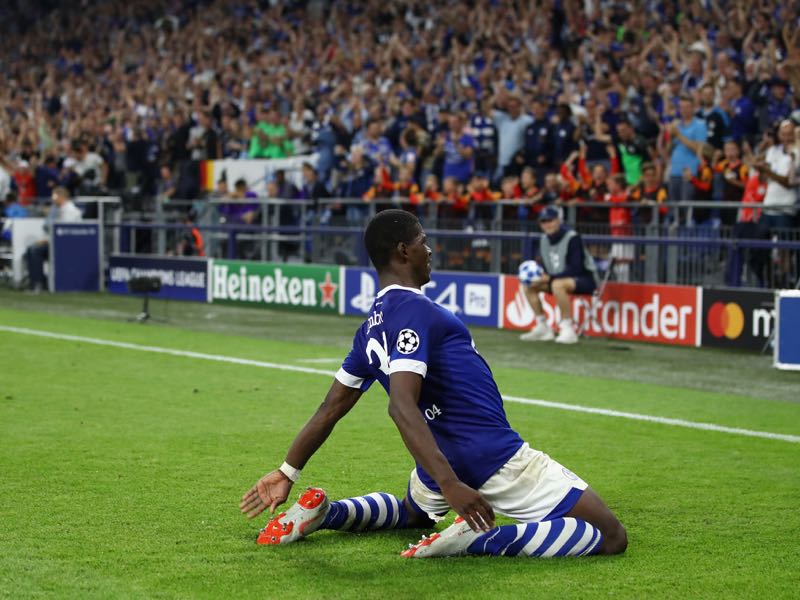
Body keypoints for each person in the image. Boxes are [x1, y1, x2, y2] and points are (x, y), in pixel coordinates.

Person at [240, 209, 627, 559]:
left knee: (414, 512)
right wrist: (452, 484)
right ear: (404, 251)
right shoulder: (417, 312)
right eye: (424, 242)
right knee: (610, 535)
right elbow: (401, 405)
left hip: (437, 458)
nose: (430, 250)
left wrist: (287, 472)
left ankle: (328, 513)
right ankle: (476, 540)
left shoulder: (369, 329)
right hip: (490, 455)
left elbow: (330, 409)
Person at [519, 206, 599, 345]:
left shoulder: (572, 237)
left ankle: (567, 328)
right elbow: (546, 265)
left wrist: (550, 278)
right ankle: (542, 325)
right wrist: (540, 277)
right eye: (543, 221)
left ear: (558, 221)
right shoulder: (543, 239)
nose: (547, 224)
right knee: (529, 285)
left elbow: (576, 268)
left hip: (584, 279)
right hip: (557, 279)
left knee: (557, 284)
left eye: (550, 220)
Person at [24, 186, 82, 292]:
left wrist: (46, 241)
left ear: (62, 196)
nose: (53, 199)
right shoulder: (56, 209)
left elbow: (63, 233)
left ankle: (39, 284)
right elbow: (49, 228)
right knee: (29, 250)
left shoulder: (71, 211)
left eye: (55, 196)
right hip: (55, 243)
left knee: (35, 251)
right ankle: (36, 282)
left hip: (66, 246)